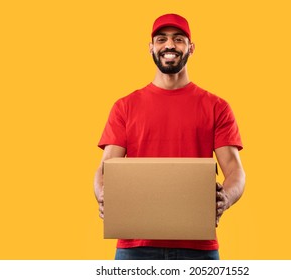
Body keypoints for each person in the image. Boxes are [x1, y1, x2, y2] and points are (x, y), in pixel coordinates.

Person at [94, 13, 246, 260]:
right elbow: (104, 170)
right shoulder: (125, 106)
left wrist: (224, 198)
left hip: (198, 247)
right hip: (135, 246)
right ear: (151, 48)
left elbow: (235, 171)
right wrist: (103, 195)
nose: (169, 45)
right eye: (161, 39)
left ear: (191, 48)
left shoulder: (216, 106)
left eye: (178, 39)